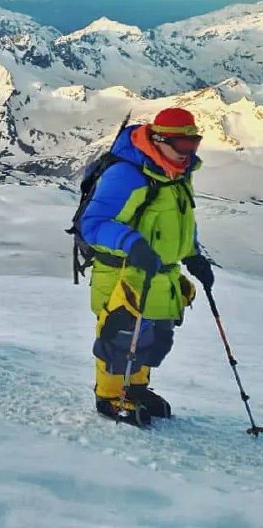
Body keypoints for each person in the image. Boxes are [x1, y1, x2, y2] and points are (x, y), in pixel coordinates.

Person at [80, 107, 214, 424]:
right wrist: (131, 243)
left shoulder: (177, 177)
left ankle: (136, 389)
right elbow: (94, 224)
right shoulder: (126, 175)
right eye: (182, 146)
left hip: (160, 275)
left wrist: (192, 253)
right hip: (123, 272)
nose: (188, 153)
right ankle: (110, 397)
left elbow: (180, 222)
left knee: (152, 339)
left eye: (194, 144)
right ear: (157, 139)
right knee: (120, 337)